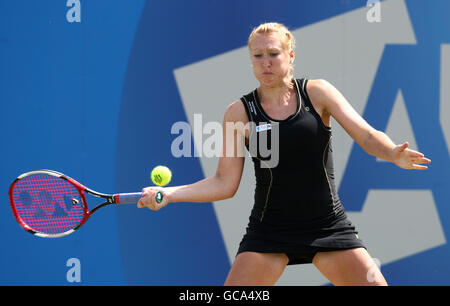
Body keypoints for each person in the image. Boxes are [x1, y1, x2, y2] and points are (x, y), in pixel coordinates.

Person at [137, 22, 431, 286]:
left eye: (273, 54)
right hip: (269, 231)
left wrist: (392, 152)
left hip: (327, 225)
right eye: (258, 56)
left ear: (290, 56)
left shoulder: (318, 93)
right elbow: (224, 183)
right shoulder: (239, 113)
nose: (265, 63)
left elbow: (366, 135)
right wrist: (170, 194)